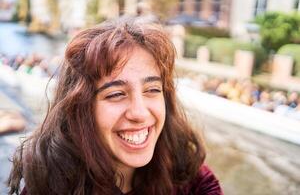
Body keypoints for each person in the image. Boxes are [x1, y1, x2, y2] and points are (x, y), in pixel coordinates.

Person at [8, 17, 223, 195]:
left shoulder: (192, 179)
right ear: (80, 110)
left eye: (152, 90)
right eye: (116, 94)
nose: (139, 113)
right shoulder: (47, 188)